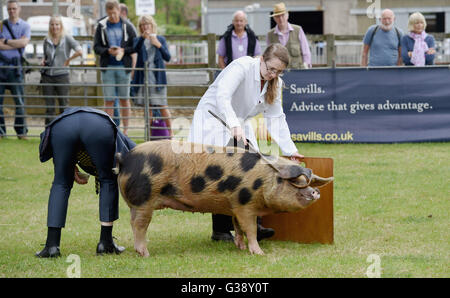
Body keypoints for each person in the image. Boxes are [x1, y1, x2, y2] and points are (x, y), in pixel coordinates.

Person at [188, 43, 304, 242]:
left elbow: (276, 118)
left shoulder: (274, 84)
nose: (273, 74)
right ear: (262, 59)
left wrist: (290, 150)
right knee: (227, 172)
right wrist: (234, 125)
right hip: (213, 120)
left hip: (237, 125)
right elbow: (222, 96)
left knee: (247, 169)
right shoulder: (241, 66)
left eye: (278, 71)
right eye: (271, 69)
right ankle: (224, 230)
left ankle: (251, 225)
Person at [36, 107, 136, 258]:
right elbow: (133, 154)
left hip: (62, 126)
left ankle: (51, 246)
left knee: (60, 183)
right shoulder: (120, 136)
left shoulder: (67, 118)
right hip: (98, 127)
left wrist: (69, 166)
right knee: (108, 179)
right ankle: (105, 243)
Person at [94, 0, 137, 135]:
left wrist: (123, 51)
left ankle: (125, 130)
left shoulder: (128, 26)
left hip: (123, 68)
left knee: (125, 100)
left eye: (114, 13)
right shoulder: (101, 27)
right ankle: (109, 129)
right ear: (107, 12)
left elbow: (135, 46)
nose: (112, 16)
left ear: (119, 10)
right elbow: (96, 47)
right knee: (109, 100)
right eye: (110, 13)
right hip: (108, 68)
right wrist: (108, 51)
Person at [131, 15, 172, 137]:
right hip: (143, 79)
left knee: (163, 106)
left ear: (152, 25)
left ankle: (171, 134)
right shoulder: (138, 40)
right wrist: (141, 39)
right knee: (147, 109)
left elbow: (168, 57)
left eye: (147, 24)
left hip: (157, 79)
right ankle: (149, 134)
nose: (145, 27)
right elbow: (133, 49)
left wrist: (158, 44)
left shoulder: (160, 39)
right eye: (142, 25)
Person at [41, 15, 82, 125]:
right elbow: (46, 56)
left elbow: (79, 51)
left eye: (57, 24)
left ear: (61, 26)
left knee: (64, 106)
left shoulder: (67, 38)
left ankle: (64, 131)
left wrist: (69, 60)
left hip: (62, 76)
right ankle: (48, 133)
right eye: (52, 24)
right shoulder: (46, 40)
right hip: (47, 76)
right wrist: (43, 60)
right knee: (49, 107)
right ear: (49, 26)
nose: (55, 27)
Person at [0, 0, 30, 139]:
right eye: (9, 9)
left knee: (19, 101)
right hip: (1, 66)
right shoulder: (1, 25)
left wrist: (5, 41)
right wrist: (16, 43)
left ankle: (21, 131)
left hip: (16, 68)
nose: (12, 11)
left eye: (14, 8)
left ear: (19, 9)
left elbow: (24, 43)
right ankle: (1, 132)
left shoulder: (25, 25)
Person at [266, 2, 311, 69]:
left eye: (282, 15)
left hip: (297, 71)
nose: (280, 18)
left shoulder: (298, 30)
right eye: (278, 16)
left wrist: (307, 67)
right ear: (274, 18)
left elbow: (306, 52)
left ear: (287, 15)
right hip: (279, 73)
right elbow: (269, 56)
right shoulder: (270, 34)